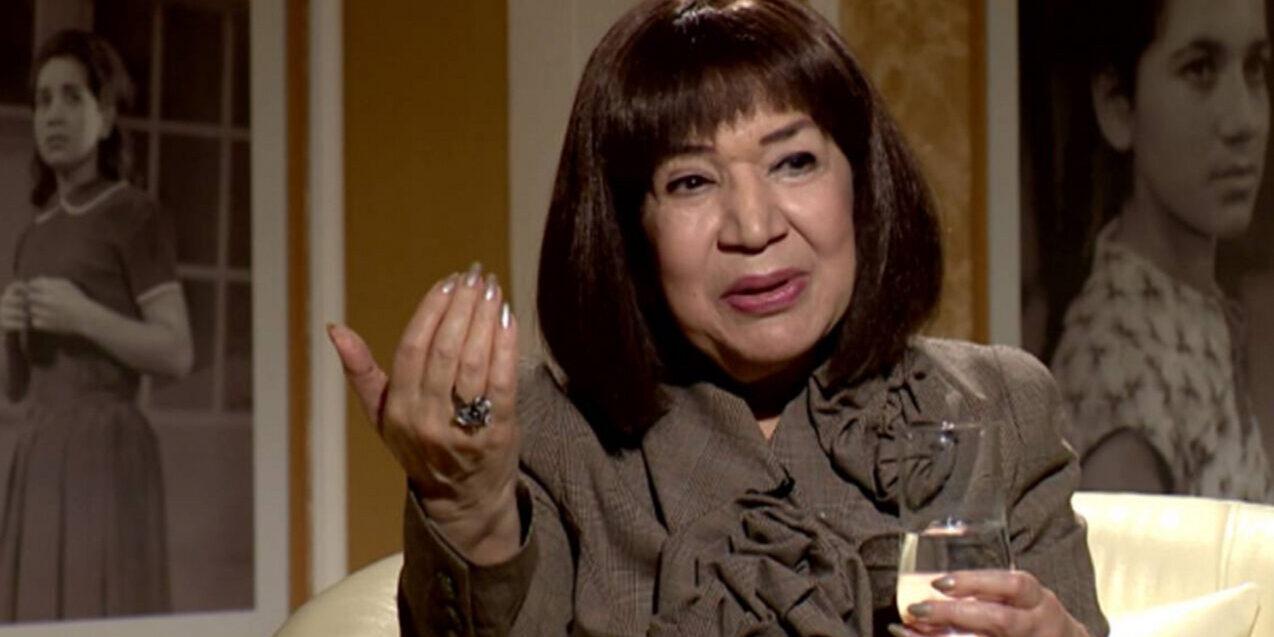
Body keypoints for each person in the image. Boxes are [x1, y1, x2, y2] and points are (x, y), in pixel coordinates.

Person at [328, 1, 1108, 634]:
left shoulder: (1001, 404)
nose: (754, 226)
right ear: (629, 229)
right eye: (692, 182)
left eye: (794, 161)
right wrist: (466, 505)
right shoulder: (553, 438)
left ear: (862, 185)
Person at [0, 30, 192, 620]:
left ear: (105, 116)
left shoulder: (134, 214)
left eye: (72, 97)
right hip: (39, 453)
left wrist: (83, 315)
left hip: (106, 453)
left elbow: (176, 352)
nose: (53, 114)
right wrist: (7, 333)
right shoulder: (33, 235)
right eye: (43, 100)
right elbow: (15, 388)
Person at [1049, 0, 1273, 501]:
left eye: (1255, 68)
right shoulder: (1118, 366)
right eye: (1200, 69)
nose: (1245, 121)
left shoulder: (1194, 312)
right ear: (1116, 104)